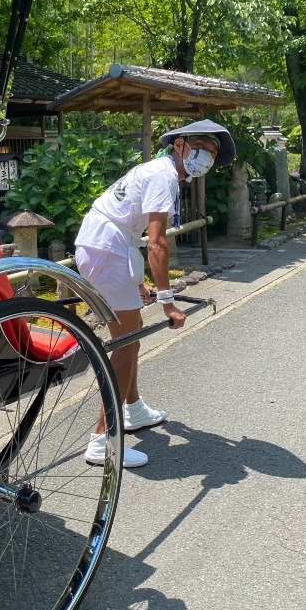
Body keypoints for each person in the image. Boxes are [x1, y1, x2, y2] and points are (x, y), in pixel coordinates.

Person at [75, 120, 235, 469]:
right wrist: (167, 302)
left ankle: (132, 409)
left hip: (111, 246)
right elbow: (157, 242)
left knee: (130, 340)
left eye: (211, 154)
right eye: (202, 149)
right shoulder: (163, 177)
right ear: (179, 144)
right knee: (126, 343)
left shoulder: (160, 172)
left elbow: (131, 231)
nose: (206, 158)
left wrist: (138, 282)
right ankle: (102, 439)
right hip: (107, 248)